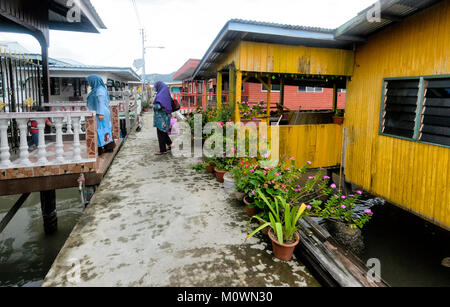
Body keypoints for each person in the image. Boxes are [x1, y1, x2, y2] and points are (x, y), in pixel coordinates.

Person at [86, 75, 115, 155]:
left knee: (101, 130)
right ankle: (107, 147)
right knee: (103, 130)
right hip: (99, 112)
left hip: (100, 113)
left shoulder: (99, 90)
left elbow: (101, 102)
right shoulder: (96, 89)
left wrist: (101, 113)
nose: (89, 83)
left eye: (90, 81)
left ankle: (102, 148)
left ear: (94, 81)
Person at [153, 81, 173, 155]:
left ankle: (162, 150)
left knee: (160, 133)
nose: (155, 88)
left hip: (161, 118)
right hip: (166, 116)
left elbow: (159, 106)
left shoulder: (160, 95)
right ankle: (170, 144)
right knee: (163, 132)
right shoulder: (165, 93)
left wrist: (153, 106)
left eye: (156, 87)